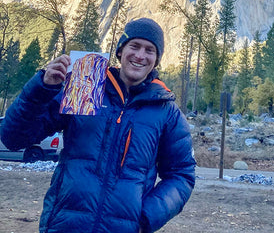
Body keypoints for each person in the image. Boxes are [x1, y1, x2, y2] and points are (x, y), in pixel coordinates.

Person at [0, 17, 196, 233]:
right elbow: (14, 138)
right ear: (121, 50)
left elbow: (182, 175)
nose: (140, 55)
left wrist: (145, 218)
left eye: (150, 50)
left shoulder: (166, 112)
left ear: (156, 60)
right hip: (65, 226)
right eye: (134, 46)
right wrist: (42, 89)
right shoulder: (86, 85)